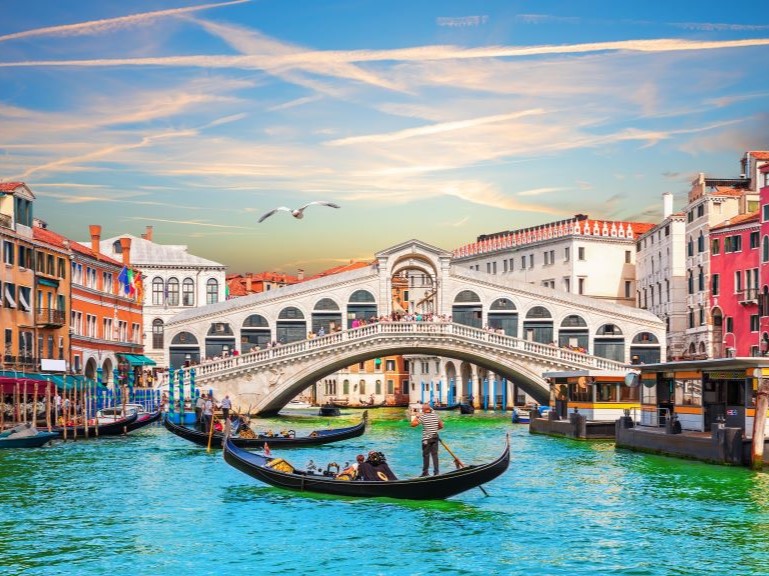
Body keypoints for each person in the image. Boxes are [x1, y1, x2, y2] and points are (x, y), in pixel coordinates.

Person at [410, 403, 444, 476]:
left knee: (426, 455)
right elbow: (441, 426)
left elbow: (412, 425)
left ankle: (425, 472)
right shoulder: (436, 416)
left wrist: (416, 416)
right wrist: (434, 430)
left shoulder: (423, 417)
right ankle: (436, 472)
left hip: (426, 440)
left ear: (423, 410)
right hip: (435, 437)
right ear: (430, 409)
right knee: (435, 455)